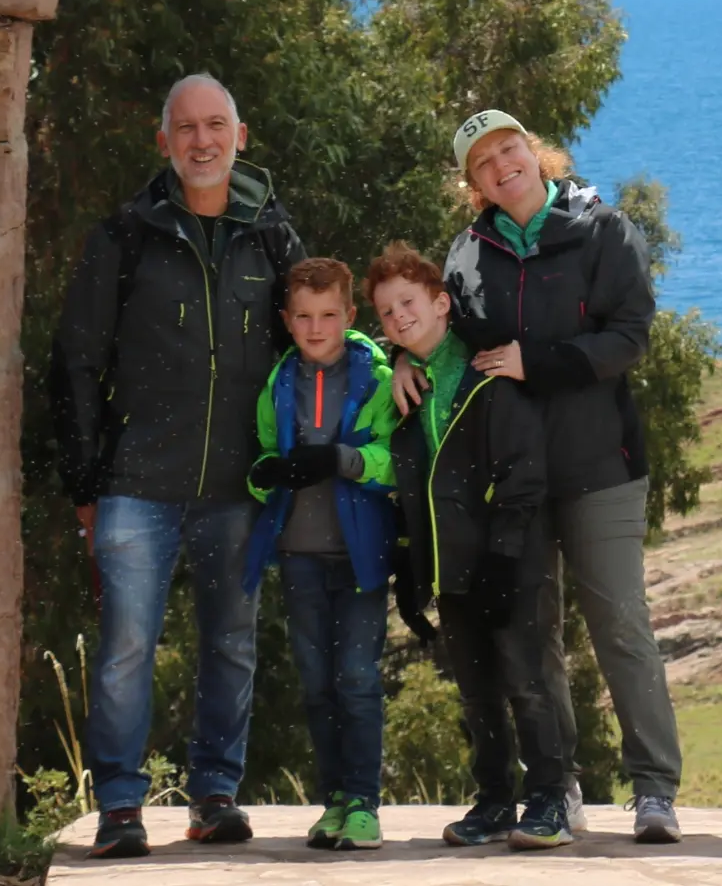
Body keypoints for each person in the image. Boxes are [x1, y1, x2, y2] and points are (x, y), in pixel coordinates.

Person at [393, 110, 683, 846]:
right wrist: (401, 359)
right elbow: (441, 328)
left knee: (619, 624)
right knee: (532, 638)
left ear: (535, 152)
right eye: (483, 162)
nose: (502, 165)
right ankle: (560, 790)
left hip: (600, 465)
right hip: (508, 482)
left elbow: (630, 335)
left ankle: (653, 789)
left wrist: (538, 362)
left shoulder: (602, 229)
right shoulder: (468, 252)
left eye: (509, 148)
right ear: (474, 183)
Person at [49, 74, 304, 859]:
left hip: (240, 486)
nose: (202, 140)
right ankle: (120, 807)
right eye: (186, 127)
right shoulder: (125, 235)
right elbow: (76, 361)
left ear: (241, 135)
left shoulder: (274, 237)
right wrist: (85, 484)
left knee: (231, 643)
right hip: (136, 484)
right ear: (164, 141)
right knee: (127, 649)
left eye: (216, 124)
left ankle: (215, 795)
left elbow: (312, 347)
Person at [365, 241, 570, 852]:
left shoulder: (488, 372)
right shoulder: (408, 387)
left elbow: (522, 475)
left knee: (525, 682)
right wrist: (412, 566)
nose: (398, 316)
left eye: (408, 302)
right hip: (450, 564)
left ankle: (549, 801)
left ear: (441, 303)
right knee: (477, 691)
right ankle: (494, 801)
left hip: (508, 560)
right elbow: (415, 485)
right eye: (386, 312)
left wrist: (504, 557)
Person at [244, 257, 398, 853]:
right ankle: (333, 801)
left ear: (350, 315)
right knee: (316, 683)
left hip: (359, 556)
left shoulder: (377, 379)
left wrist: (344, 460)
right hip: (298, 554)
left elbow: (395, 463)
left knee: (356, 678)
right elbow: (265, 456)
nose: (316, 328)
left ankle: (363, 804)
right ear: (287, 319)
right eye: (304, 317)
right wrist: (266, 476)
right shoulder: (279, 382)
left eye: (328, 315)